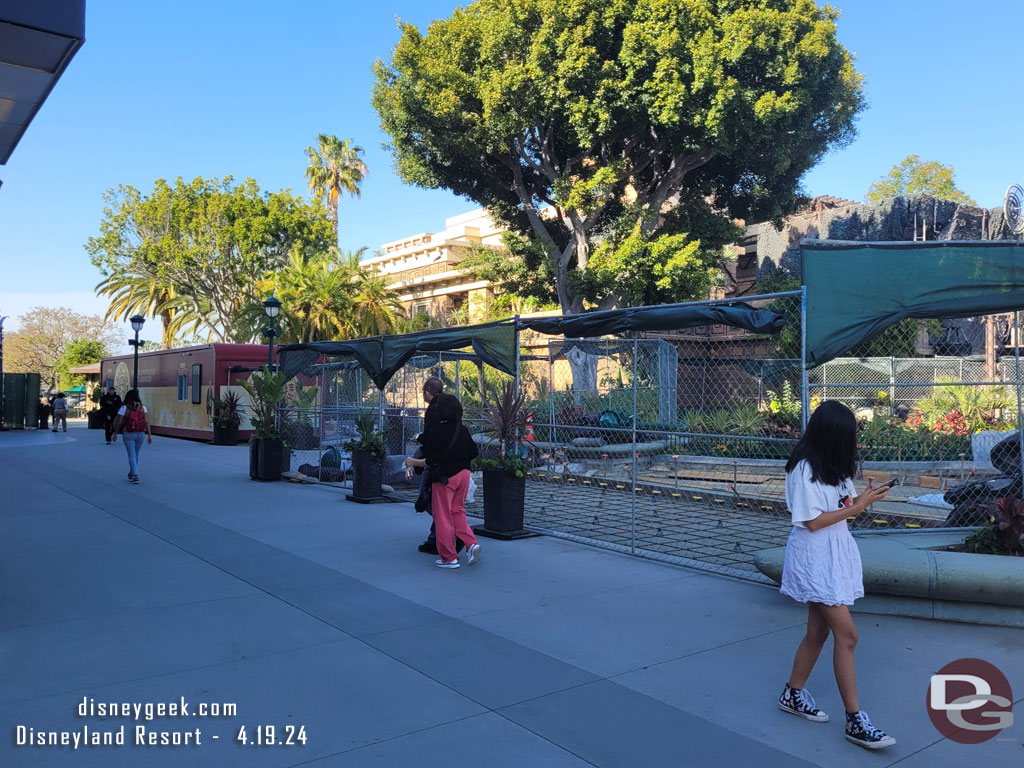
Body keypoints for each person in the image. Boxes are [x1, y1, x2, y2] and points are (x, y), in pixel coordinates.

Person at [776, 400, 895, 750]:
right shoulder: (803, 469)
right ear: (833, 435)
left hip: (833, 555)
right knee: (848, 636)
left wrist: (863, 500)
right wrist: (856, 508)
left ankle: (792, 694)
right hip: (815, 560)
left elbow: (840, 508)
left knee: (818, 632)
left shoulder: (833, 466)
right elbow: (811, 521)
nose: (854, 442)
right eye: (850, 435)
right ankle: (855, 721)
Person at [404, 393, 480, 569]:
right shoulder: (463, 429)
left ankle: (448, 557)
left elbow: (431, 457)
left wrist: (413, 460)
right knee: (458, 511)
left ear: (440, 412)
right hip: (464, 475)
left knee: (443, 516)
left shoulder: (436, 431)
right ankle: (471, 543)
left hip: (445, 478)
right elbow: (473, 452)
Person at [415, 377, 463, 556]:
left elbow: (433, 435)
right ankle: (437, 537)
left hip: (436, 461)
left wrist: (421, 440)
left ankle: (447, 534)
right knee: (438, 502)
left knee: (429, 501)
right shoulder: (450, 405)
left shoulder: (433, 409)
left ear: (427, 392)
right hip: (452, 461)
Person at [111, 389, 152, 484]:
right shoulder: (143, 408)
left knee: (131, 455)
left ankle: (135, 475)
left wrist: (115, 433)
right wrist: (149, 435)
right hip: (141, 433)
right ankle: (131, 473)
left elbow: (119, 422)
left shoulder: (124, 408)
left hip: (128, 433)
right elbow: (147, 422)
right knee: (136, 455)